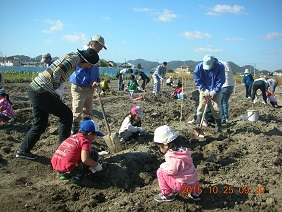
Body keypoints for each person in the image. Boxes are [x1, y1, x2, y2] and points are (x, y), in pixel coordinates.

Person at [15, 48, 99, 160]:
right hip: (42, 90)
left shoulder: (73, 57)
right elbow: (58, 71)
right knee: (67, 115)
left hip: (35, 89)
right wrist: (54, 89)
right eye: (89, 65)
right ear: (85, 60)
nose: (89, 67)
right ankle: (63, 150)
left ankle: (23, 151)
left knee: (40, 124)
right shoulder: (74, 59)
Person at [153, 125, 201, 202]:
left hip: (182, 186)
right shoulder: (184, 151)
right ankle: (194, 193)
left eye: (159, 146)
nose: (159, 149)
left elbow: (173, 170)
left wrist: (164, 167)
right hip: (194, 184)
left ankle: (167, 194)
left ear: (165, 145)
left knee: (160, 171)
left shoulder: (171, 155)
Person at [70, 35, 107, 134]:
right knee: (77, 112)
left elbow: (96, 71)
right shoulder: (83, 55)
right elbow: (80, 71)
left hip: (90, 88)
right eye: (99, 47)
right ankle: (74, 133)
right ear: (92, 44)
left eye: (101, 48)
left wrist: (97, 81)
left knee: (88, 111)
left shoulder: (96, 57)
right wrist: (91, 81)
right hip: (80, 88)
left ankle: (85, 132)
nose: (100, 50)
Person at [193, 55, 225, 134]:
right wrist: (204, 89)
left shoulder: (220, 67)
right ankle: (198, 124)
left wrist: (215, 91)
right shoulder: (199, 67)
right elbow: (197, 80)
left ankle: (218, 126)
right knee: (201, 106)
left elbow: (221, 80)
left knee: (216, 108)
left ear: (213, 63)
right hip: (204, 89)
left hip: (215, 91)